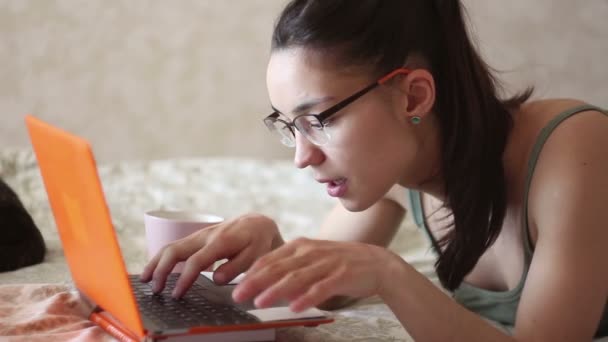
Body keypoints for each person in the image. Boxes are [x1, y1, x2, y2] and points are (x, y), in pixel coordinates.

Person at [141, 0, 608, 340]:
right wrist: (274, 248)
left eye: (319, 120)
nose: (301, 158)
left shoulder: (576, 148)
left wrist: (390, 273)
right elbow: (334, 287)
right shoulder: (400, 174)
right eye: (290, 126)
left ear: (414, 97)